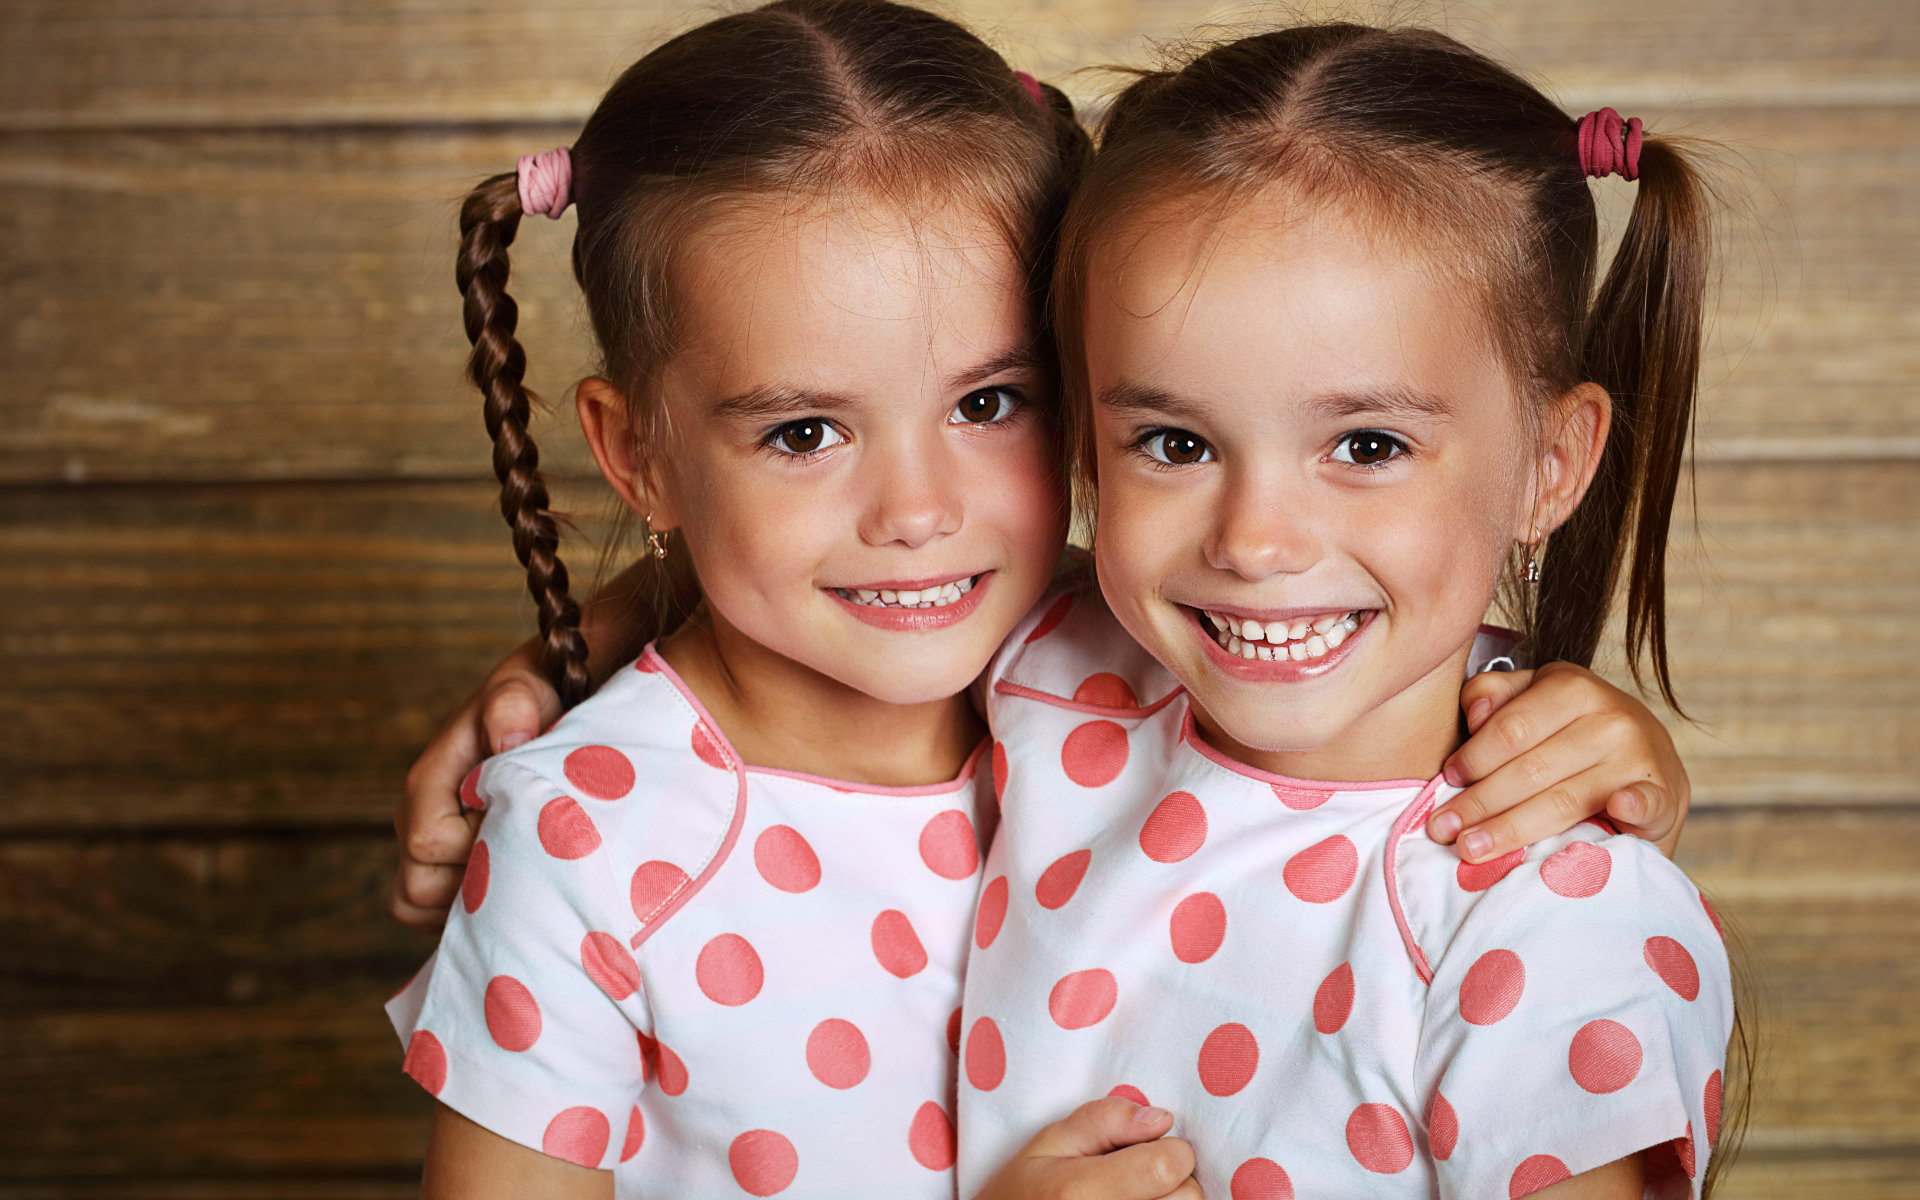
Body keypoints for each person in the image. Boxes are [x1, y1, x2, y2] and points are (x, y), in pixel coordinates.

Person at [388, 4, 1697, 1195]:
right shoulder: (1060, 668)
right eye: (802, 432)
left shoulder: (1099, 661)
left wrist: (1599, 736)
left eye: (989, 403)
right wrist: (571, 673)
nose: (918, 514)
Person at [954, 23, 1738, 1200]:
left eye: (1366, 445)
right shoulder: (1050, 665)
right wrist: (572, 655)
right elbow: (760, 563)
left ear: (1551, 466)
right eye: (1174, 443)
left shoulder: (1548, 921)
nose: (1255, 541)